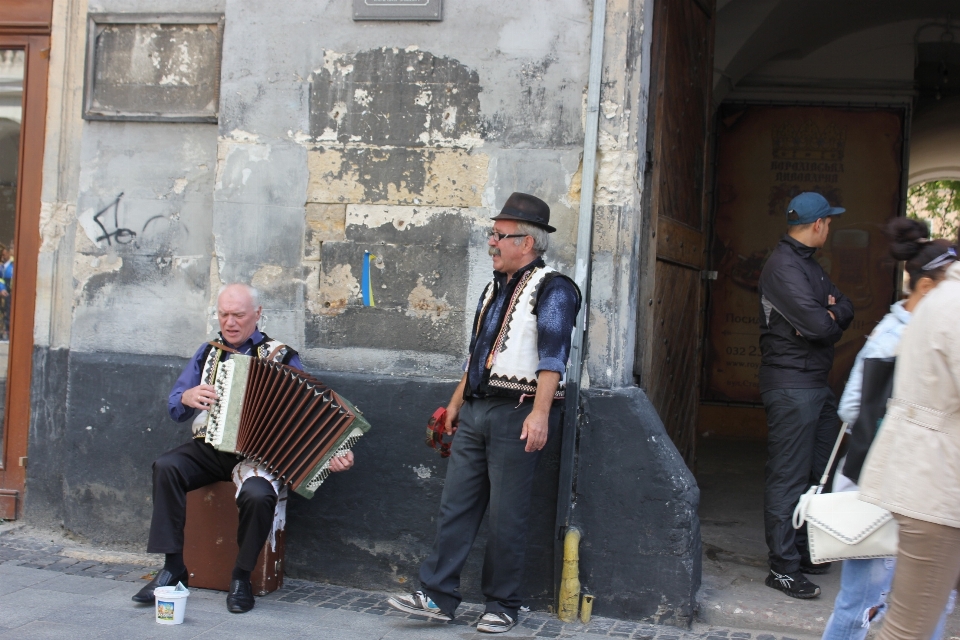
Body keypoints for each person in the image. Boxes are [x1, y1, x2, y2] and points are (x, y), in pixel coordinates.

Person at [386, 193, 580, 634]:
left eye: (499, 235)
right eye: (491, 233)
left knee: (506, 514)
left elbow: (554, 358)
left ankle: (503, 604)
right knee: (456, 506)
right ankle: (436, 595)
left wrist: (540, 414)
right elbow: (476, 355)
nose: (491, 242)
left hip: (518, 412)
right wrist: (455, 404)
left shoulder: (555, 289)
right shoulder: (492, 287)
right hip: (475, 411)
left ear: (526, 243)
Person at [132, 283, 355, 613]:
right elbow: (176, 406)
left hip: (260, 456)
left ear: (258, 314)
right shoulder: (207, 352)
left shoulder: (282, 357)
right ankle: (173, 568)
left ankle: (240, 577)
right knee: (167, 466)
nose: (230, 322)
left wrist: (334, 451)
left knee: (258, 495)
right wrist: (186, 397)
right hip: (211, 448)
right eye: (223, 314)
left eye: (238, 315)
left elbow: (312, 411)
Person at [822, 219, 956, 640]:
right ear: (927, 287)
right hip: (884, 486)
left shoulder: (915, 326)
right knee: (865, 604)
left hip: (909, 484)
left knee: (921, 606)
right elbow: (851, 408)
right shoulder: (892, 338)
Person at [859, 234, 960, 640]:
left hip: (933, 478)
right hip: (936, 486)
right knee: (908, 631)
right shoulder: (953, 303)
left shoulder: (944, 298)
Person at [757, 192, 854, 598]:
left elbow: (845, 308)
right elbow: (821, 327)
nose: (830, 228)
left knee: (820, 471)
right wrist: (825, 315)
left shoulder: (808, 266)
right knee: (789, 477)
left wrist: (829, 313)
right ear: (817, 225)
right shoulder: (783, 268)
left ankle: (802, 549)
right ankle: (781, 567)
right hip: (792, 386)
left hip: (815, 383)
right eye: (829, 222)